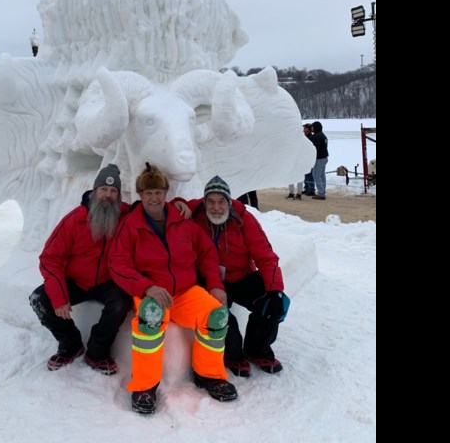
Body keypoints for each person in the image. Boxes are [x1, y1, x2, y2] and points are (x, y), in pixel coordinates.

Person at [110, 163, 236, 414]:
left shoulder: (183, 221)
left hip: (186, 291)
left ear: (166, 193)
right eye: (148, 193)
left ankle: (210, 375)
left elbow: (207, 254)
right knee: (150, 319)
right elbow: (118, 264)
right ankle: (145, 387)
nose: (153, 198)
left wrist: (214, 285)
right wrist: (146, 287)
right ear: (140, 195)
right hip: (153, 293)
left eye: (158, 192)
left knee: (217, 315)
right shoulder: (131, 225)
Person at [29, 164, 132, 376]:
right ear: (95, 192)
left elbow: (154, 209)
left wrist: (180, 205)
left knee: (121, 303)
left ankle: (97, 352)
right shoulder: (74, 220)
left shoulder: (126, 215)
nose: (108, 195)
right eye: (104, 189)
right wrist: (59, 296)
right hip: (76, 281)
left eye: (114, 191)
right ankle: (70, 344)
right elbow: (50, 258)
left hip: (108, 281)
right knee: (39, 299)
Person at [186, 176, 290, 377]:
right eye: (211, 202)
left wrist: (276, 290)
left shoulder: (244, 219)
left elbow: (266, 256)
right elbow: (171, 206)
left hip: (241, 277)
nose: (216, 207)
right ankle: (233, 355)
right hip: (210, 280)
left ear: (229, 202)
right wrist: (181, 203)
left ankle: (257, 349)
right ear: (204, 202)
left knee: (274, 303)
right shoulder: (196, 214)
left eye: (221, 201)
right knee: (221, 314)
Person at [287, 123, 316, 199]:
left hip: (298, 160)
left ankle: (295, 192)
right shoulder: (302, 138)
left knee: (296, 176)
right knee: (296, 176)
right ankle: (296, 192)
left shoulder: (302, 139)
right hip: (297, 160)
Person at [310, 121, 329, 200]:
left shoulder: (317, 136)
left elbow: (315, 149)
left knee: (316, 175)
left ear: (316, 127)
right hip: (324, 157)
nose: (312, 128)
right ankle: (322, 191)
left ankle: (321, 193)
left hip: (319, 158)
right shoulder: (323, 135)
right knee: (322, 175)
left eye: (313, 127)